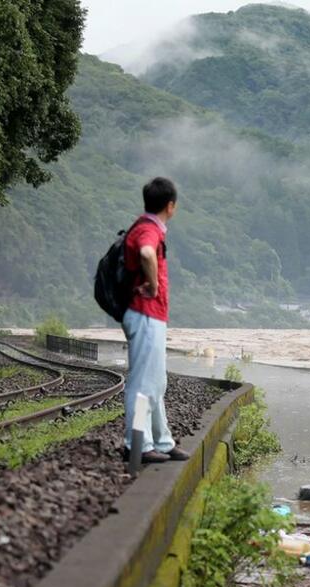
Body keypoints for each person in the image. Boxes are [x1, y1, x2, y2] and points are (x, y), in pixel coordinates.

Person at [122, 177, 189, 463]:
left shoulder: (147, 227)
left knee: (156, 382)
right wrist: (154, 285)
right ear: (170, 206)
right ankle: (136, 444)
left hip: (151, 315)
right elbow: (147, 253)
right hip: (144, 313)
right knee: (142, 383)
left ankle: (161, 442)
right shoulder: (148, 229)